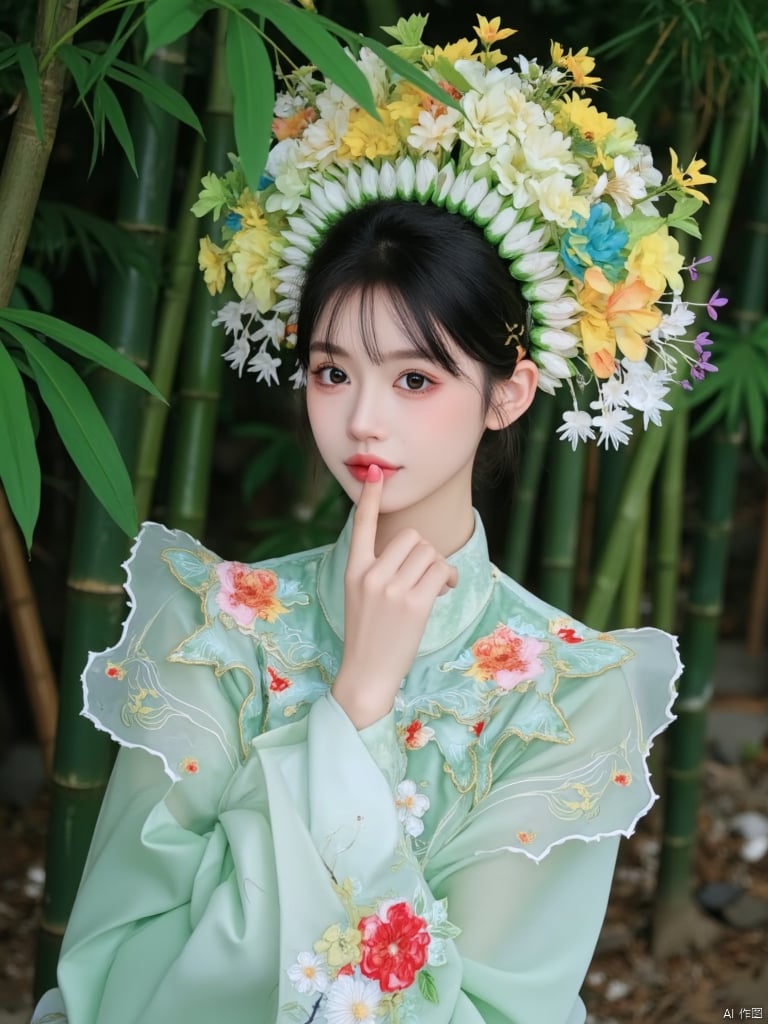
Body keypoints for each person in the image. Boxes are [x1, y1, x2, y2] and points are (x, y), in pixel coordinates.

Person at [33, 14, 718, 1024]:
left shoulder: (569, 692)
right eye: (331, 371)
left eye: (414, 376)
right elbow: (121, 980)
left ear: (509, 392)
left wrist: (329, 753)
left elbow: (492, 1008)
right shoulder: (212, 628)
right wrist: (354, 705)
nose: (362, 418)